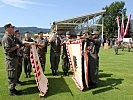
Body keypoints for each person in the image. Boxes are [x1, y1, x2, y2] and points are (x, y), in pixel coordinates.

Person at [2, 24, 20, 96]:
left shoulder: (11, 37)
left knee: (14, 74)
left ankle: (13, 89)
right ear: (7, 29)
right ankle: (11, 91)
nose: (13, 29)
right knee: (11, 75)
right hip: (10, 59)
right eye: (11, 28)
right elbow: (8, 50)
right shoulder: (6, 38)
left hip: (13, 59)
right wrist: (16, 47)